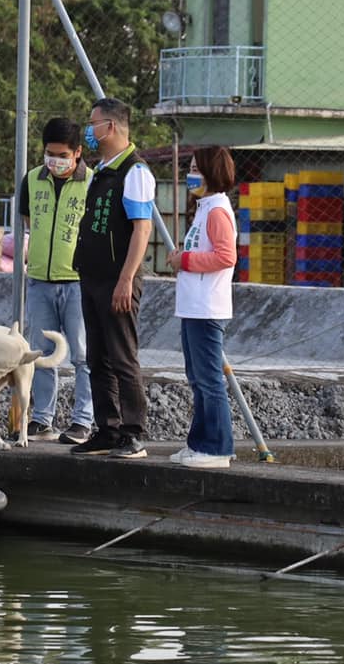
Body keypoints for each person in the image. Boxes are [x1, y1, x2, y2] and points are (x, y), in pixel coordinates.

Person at [69, 96, 155, 459]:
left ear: (112, 126)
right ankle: (107, 428)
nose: (89, 130)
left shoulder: (134, 172)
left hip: (117, 279)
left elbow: (141, 229)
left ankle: (133, 432)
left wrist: (126, 279)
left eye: (94, 124)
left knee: (122, 356)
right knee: (97, 357)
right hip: (92, 276)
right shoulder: (102, 169)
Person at [17, 116, 94, 445]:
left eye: (61, 154)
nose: (54, 160)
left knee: (82, 354)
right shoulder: (32, 179)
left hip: (78, 282)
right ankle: (41, 419)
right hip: (39, 281)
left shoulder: (93, 182)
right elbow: (27, 218)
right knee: (42, 352)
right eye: (49, 153)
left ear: (77, 152)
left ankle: (82, 421)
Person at [167, 146, 238, 469]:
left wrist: (185, 260)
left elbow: (226, 256)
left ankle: (218, 448)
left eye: (196, 167)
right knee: (197, 378)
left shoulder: (217, 211)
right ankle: (199, 443)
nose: (190, 173)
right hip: (194, 307)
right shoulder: (204, 208)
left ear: (211, 172)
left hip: (207, 309)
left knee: (209, 380)